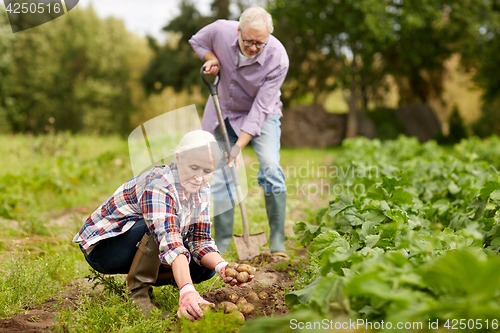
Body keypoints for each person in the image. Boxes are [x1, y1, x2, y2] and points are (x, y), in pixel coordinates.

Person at [72, 130, 253, 320]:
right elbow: (170, 240)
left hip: (142, 244)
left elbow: (200, 239)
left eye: (207, 171)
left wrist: (223, 266)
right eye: (193, 167)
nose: (199, 177)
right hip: (105, 249)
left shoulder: (201, 189)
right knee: (156, 228)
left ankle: (158, 279)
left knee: (205, 269)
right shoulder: (158, 184)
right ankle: (137, 295)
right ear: (178, 158)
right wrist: (187, 290)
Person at [189, 7, 289, 257]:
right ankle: (221, 243)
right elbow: (198, 41)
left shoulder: (278, 58)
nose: (254, 47)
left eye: (260, 43)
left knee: (270, 167)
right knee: (221, 175)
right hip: (224, 111)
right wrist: (211, 58)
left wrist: (239, 146)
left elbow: (261, 109)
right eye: (248, 42)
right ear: (238, 31)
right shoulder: (221, 30)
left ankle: (277, 239)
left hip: (262, 115)